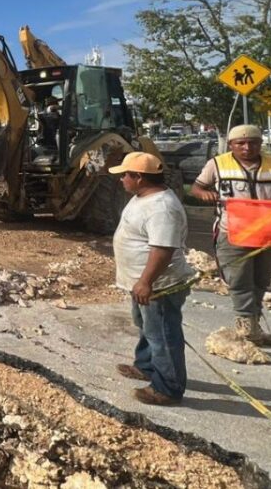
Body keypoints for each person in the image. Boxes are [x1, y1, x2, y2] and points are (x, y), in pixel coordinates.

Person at [191, 124, 271, 344]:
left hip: (270, 234)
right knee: (239, 281)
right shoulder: (217, 164)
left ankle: (252, 321)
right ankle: (246, 324)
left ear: (260, 144)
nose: (247, 147)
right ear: (231, 145)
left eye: (253, 143)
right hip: (233, 233)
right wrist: (205, 194)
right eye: (241, 143)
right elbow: (196, 188)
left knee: (261, 280)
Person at [109, 152, 195, 406]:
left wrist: (146, 282)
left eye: (126, 175)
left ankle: (168, 387)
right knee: (146, 325)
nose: (122, 179)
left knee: (163, 335)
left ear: (139, 177)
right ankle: (146, 366)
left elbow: (163, 249)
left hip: (159, 284)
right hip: (143, 281)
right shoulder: (144, 197)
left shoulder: (162, 208)